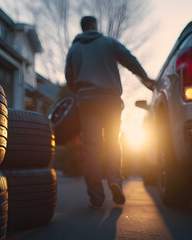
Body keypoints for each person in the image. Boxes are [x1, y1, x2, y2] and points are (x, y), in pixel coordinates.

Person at [65, 16, 155, 209]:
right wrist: (145, 79)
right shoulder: (108, 42)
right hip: (110, 101)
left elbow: (69, 78)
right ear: (95, 26)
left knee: (91, 149)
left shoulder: (74, 49)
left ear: (82, 28)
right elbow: (129, 60)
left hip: (87, 102)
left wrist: (80, 91)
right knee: (113, 143)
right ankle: (115, 181)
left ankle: (96, 197)